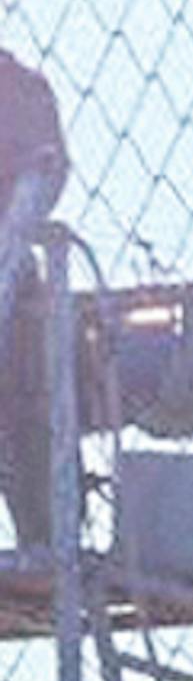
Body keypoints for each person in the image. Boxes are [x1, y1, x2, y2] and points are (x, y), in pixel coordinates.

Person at [0, 51, 69, 562]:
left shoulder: (17, 87)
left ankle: (42, 536)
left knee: (22, 402)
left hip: (12, 279)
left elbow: (42, 172)